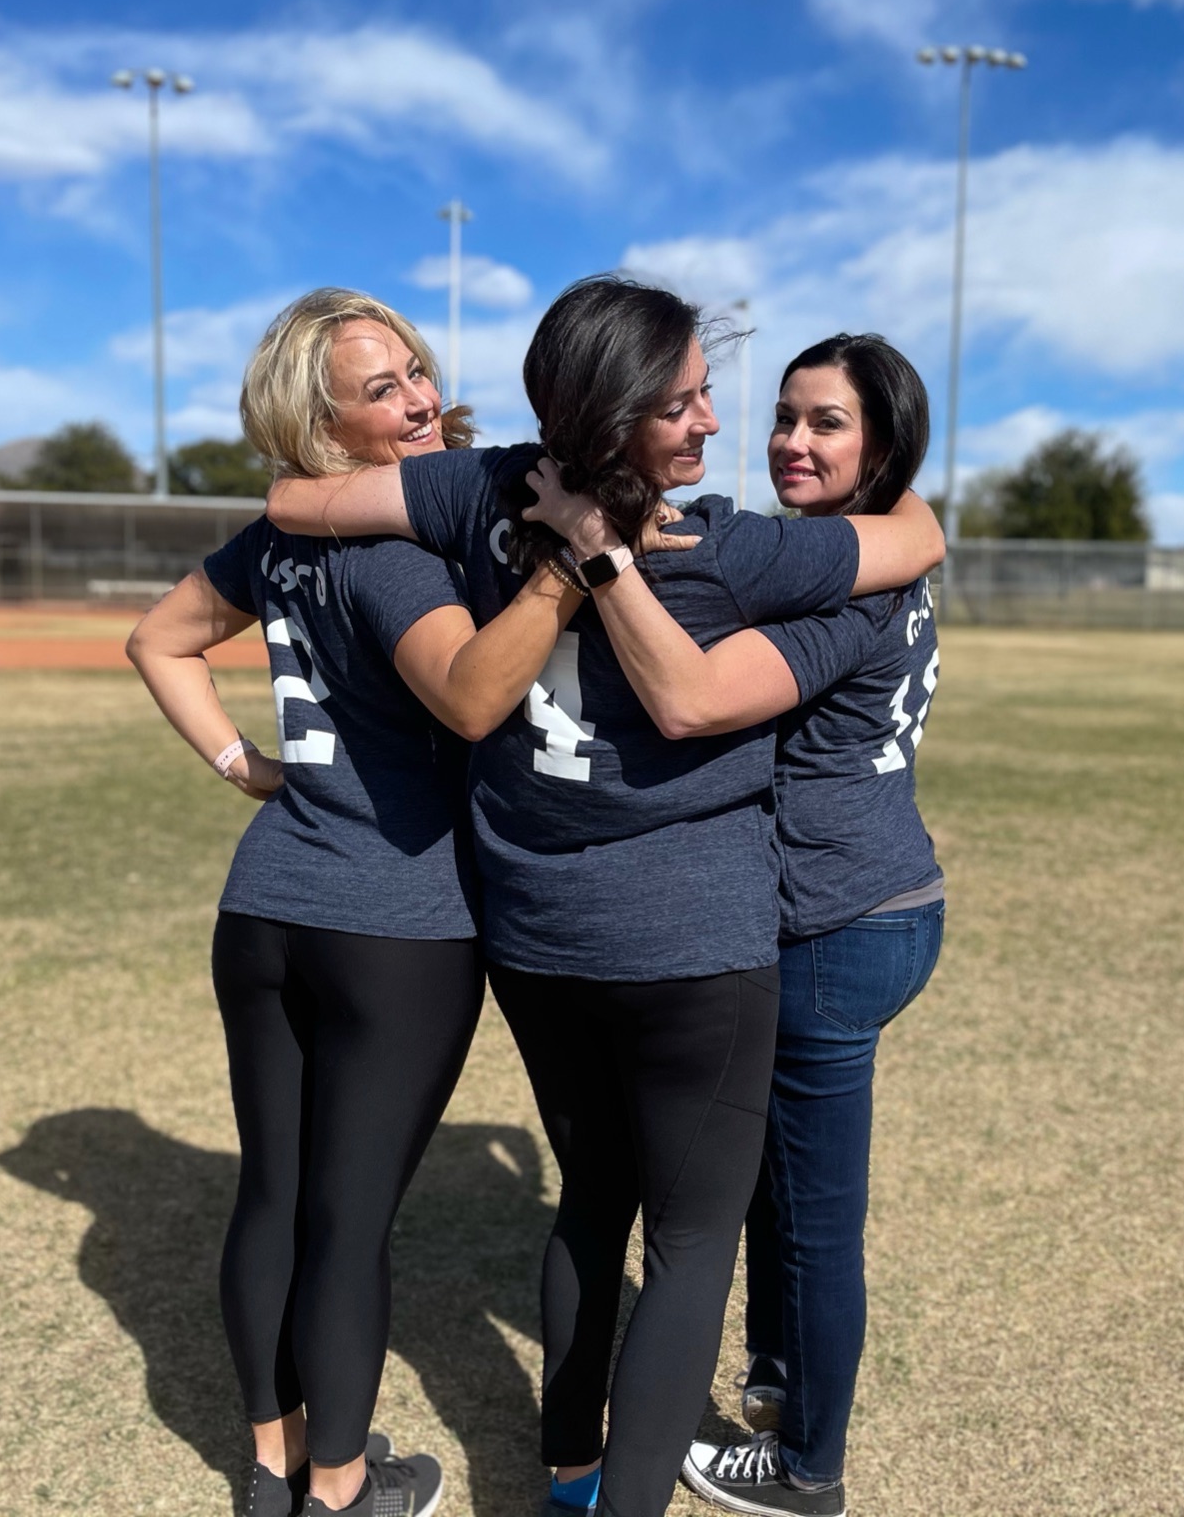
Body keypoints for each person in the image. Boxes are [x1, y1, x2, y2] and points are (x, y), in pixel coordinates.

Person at [261, 276, 945, 1517]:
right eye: (684, 404)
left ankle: (570, 1472)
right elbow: (917, 540)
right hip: (693, 937)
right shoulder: (739, 546)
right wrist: (605, 540)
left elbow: (287, 498)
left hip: (533, 931)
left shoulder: (479, 486)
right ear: (619, 413)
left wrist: (557, 507)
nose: (713, 428)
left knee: (589, 1204)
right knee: (687, 1247)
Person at [126, 288, 589, 1517]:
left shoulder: (273, 541)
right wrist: (567, 576)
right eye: (381, 389)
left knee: (276, 1195)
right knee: (344, 1223)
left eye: (419, 372)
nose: (421, 398)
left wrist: (246, 771)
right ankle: (339, 1490)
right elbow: (471, 697)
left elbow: (159, 641)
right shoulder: (386, 554)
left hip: (265, 910)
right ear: (314, 420)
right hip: (394, 928)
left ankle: (273, 1470)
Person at [520, 334, 944, 1517]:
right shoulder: (861, 546)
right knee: (751, 1180)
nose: (790, 441)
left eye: (827, 425)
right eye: (786, 418)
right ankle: (770, 1378)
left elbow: (693, 698)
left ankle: (807, 1467)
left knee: (808, 1219)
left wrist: (599, 554)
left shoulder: (849, 582)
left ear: (884, 443)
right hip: (866, 901)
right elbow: (913, 528)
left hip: (833, 922)